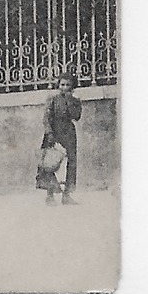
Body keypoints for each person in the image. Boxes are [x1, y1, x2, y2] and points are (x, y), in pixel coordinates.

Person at [41, 72, 83, 205]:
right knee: (50, 163)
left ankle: (67, 195)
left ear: (72, 87)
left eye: (68, 85)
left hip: (69, 133)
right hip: (54, 132)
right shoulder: (52, 99)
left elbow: (76, 116)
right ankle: (50, 195)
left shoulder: (75, 101)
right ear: (58, 85)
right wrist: (49, 133)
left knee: (71, 163)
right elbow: (46, 118)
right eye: (62, 84)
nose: (64, 87)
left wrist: (70, 101)